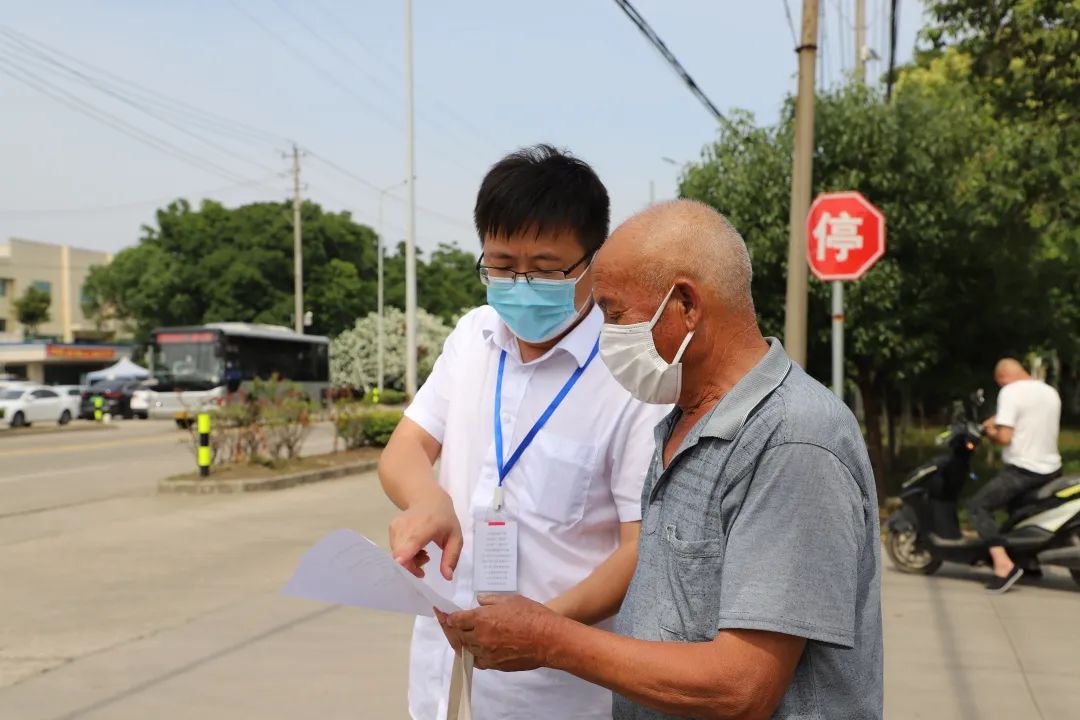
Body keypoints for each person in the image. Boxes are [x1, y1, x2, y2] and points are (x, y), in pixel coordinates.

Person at [441, 200, 883, 720]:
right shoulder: (682, 421)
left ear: (686, 305)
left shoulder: (793, 441)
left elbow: (742, 687)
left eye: (613, 313)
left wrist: (547, 638)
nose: (605, 335)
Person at [378, 144, 669, 720]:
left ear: (593, 261)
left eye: (544, 268)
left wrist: (542, 631)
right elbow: (405, 447)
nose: (521, 283)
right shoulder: (474, 336)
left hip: (556, 692)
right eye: (502, 265)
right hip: (442, 675)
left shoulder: (630, 376)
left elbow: (641, 547)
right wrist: (427, 498)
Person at [969, 358, 1062, 593]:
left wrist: (990, 432)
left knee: (978, 507)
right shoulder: (1049, 392)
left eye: (1000, 384)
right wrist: (999, 420)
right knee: (1018, 512)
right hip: (1051, 468)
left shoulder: (1010, 392)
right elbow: (1029, 420)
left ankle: (1004, 565)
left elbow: (1005, 438)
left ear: (1003, 378)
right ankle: (1028, 561)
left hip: (1023, 469)